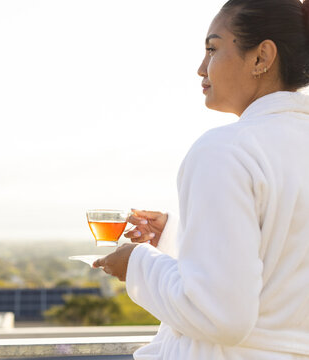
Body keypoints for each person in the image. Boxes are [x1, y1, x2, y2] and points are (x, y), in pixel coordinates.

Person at [93, 0, 309, 359]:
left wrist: (137, 263)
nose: (200, 68)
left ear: (261, 57)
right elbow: (285, 265)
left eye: (213, 49)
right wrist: (182, 238)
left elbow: (219, 316)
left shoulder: (226, 150)